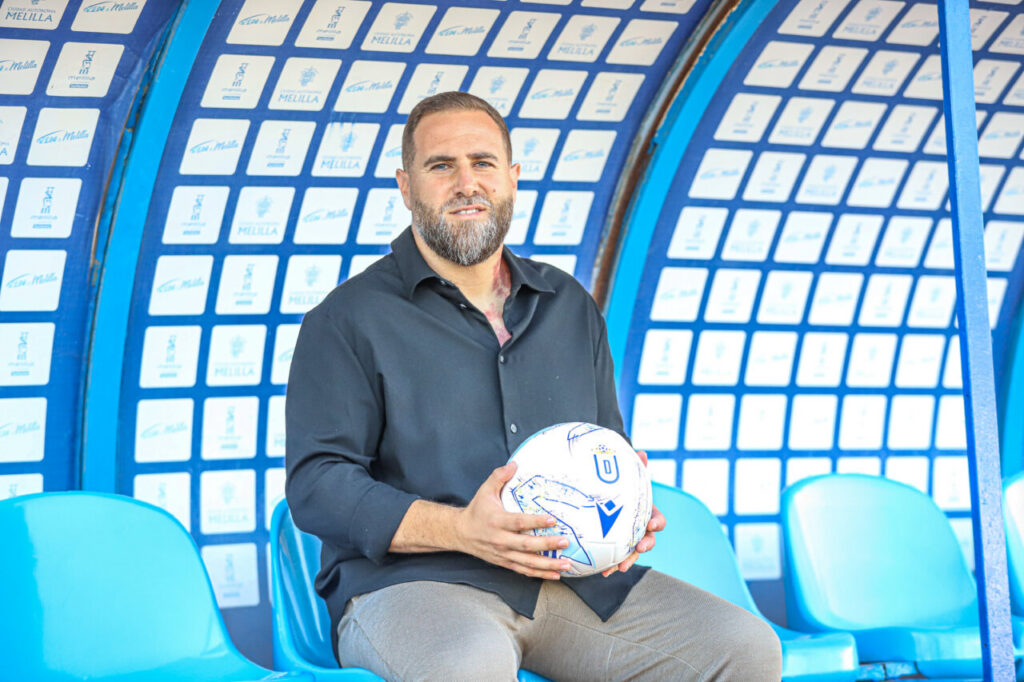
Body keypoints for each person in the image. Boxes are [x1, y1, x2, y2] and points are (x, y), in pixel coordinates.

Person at [285, 91, 782, 681]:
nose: (466, 183)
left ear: (513, 178)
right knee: (467, 668)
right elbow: (317, 486)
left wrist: (627, 510)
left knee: (742, 647)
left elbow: (606, 443)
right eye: (441, 166)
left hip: (572, 581)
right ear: (406, 187)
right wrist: (461, 530)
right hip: (417, 585)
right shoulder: (345, 320)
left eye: (483, 162)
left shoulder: (568, 304)